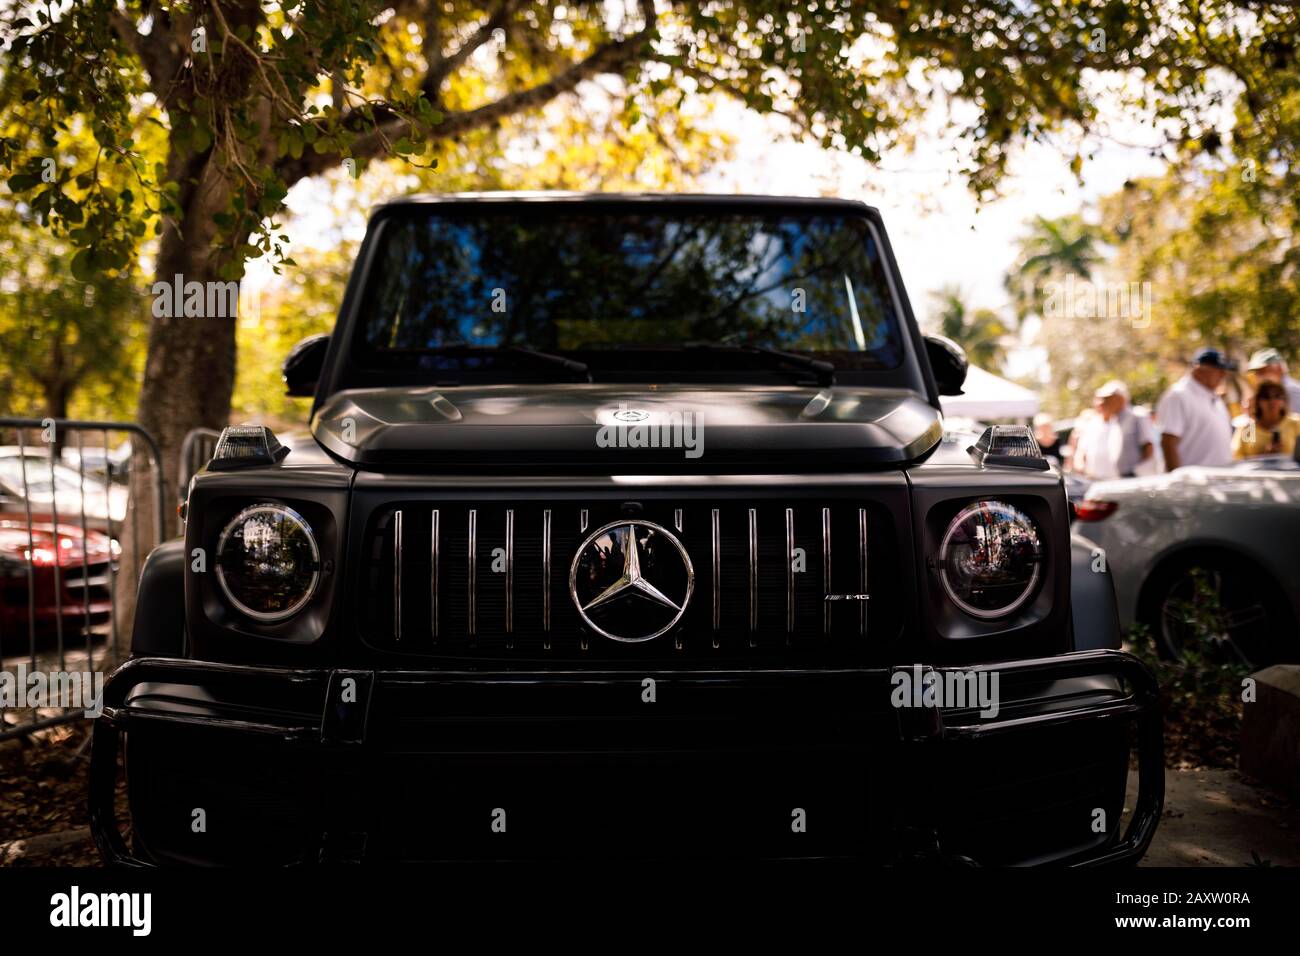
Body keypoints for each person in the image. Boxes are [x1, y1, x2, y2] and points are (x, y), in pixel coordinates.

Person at [1155, 347, 1236, 471]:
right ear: (1199, 368)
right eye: (1218, 370)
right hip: (1193, 486)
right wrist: (1177, 483)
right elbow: (1168, 443)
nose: (1223, 375)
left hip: (1220, 482)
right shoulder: (1178, 395)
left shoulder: (1215, 398)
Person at [1070, 380, 1153, 479]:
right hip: (1116, 478)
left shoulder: (1137, 416)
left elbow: (1148, 448)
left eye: (1107, 399)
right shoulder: (1113, 420)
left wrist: (1135, 472)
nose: (1103, 402)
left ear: (1120, 399)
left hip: (1135, 478)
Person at [1232, 380, 1300, 459]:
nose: (1272, 401)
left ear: (1284, 401)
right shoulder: (1248, 429)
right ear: (1257, 402)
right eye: (1266, 397)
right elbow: (1237, 458)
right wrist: (1264, 456)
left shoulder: (1295, 423)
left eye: (1277, 396)